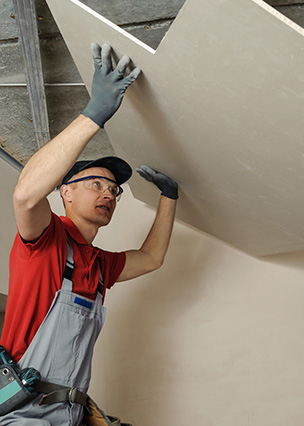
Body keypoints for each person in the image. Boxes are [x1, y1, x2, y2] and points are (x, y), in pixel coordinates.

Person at [0, 43, 178, 425]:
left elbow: (152, 259)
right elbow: (25, 194)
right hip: (23, 415)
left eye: (114, 190)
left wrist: (170, 196)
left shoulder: (99, 266)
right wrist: (94, 114)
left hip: (71, 414)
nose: (108, 194)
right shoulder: (46, 239)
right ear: (65, 191)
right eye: (96, 183)